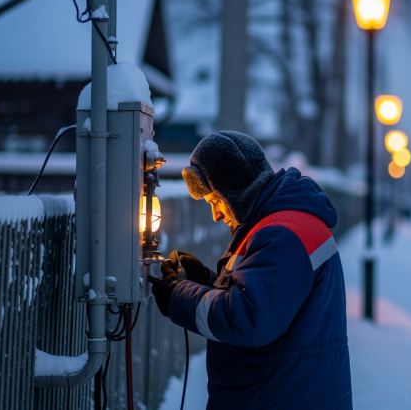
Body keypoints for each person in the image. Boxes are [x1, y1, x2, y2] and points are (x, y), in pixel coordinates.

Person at [149, 131, 352, 410]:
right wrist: (207, 282)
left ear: (236, 192)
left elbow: (249, 318)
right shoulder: (287, 224)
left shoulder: (282, 234)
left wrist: (178, 297)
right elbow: (272, 299)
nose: (215, 215)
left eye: (215, 201)